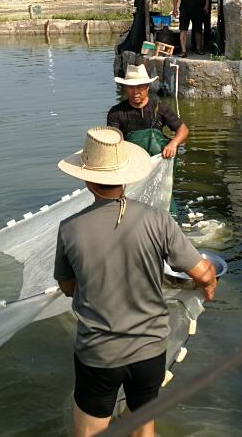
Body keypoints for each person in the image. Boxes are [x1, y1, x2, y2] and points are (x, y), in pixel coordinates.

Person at [54, 126, 218, 437]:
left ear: (88, 179)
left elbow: (67, 287)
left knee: (90, 429)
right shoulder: (157, 219)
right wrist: (209, 284)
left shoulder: (70, 229)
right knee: (143, 427)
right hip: (150, 350)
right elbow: (203, 272)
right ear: (126, 177)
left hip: (99, 352)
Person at [108, 63, 189, 159]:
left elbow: (183, 130)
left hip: (159, 159)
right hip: (131, 161)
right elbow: (112, 141)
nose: (135, 92)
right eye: (131, 87)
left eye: (140, 87)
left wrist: (173, 143)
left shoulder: (159, 108)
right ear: (125, 88)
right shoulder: (116, 112)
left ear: (148, 87)